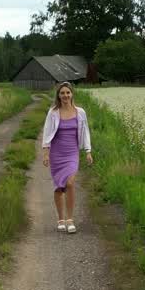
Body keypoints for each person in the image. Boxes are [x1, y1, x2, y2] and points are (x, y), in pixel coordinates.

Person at [41, 81, 93, 233]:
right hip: (57, 154)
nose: (65, 95)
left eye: (68, 92)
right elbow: (47, 132)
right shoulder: (53, 112)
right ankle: (60, 219)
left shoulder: (80, 112)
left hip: (72, 153)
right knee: (59, 187)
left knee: (69, 183)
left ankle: (70, 219)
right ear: (58, 95)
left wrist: (88, 151)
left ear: (72, 94)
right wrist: (46, 153)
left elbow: (86, 132)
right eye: (62, 93)